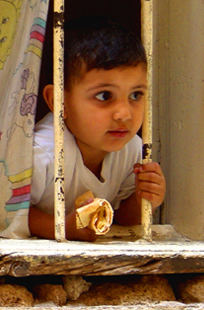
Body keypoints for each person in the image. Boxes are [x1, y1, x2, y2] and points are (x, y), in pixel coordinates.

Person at [29, 16, 166, 241]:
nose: (124, 114)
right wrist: (61, 228)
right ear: (58, 102)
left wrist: (144, 199)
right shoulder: (42, 153)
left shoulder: (132, 150)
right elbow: (6, 212)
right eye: (104, 96)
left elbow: (122, 217)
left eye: (136, 95)